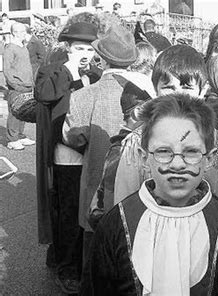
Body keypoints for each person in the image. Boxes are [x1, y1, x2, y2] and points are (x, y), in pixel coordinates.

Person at [81, 93, 218, 295]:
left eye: (191, 151)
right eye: (164, 151)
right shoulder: (117, 224)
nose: (177, 164)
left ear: (209, 159)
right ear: (144, 157)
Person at [61, 23, 137, 280]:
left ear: (101, 59)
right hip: (133, 185)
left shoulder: (85, 95)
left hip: (96, 182)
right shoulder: (145, 91)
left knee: (93, 256)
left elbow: (72, 137)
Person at [34, 21, 101, 294]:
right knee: (68, 214)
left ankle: (73, 261)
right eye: (79, 47)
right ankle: (67, 268)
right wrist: (70, 71)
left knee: (85, 212)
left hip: (90, 153)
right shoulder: (53, 70)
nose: (85, 52)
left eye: (89, 47)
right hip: (66, 156)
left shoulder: (95, 73)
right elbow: (45, 94)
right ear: (68, 48)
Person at [114, 44, 208, 204]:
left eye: (187, 87)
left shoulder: (217, 144)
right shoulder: (137, 143)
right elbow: (124, 205)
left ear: (203, 91)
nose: (178, 95)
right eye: (169, 87)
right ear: (155, 91)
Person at [88, 81, 151, 230]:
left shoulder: (123, 145)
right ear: (138, 112)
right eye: (153, 108)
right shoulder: (122, 150)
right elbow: (110, 202)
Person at [3, 22, 35, 150]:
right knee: (14, 113)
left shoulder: (23, 47)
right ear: (15, 33)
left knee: (24, 111)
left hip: (27, 85)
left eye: (24, 31)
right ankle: (12, 140)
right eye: (21, 31)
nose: (24, 34)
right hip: (17, 87)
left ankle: (20, 136)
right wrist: (15, 85)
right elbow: (7, 70)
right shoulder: (10, 48)